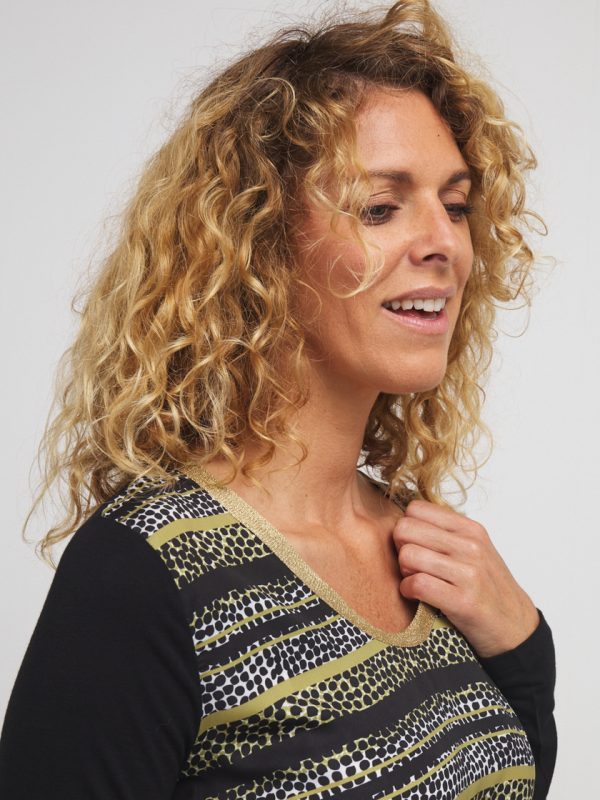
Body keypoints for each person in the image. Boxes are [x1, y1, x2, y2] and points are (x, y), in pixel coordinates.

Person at [0, 1, 557, 798]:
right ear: (262, 245)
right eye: (380, 206)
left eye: (456, 204)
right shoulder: (145, 574)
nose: (445, 242)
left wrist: (525, 654)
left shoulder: (430, 554)